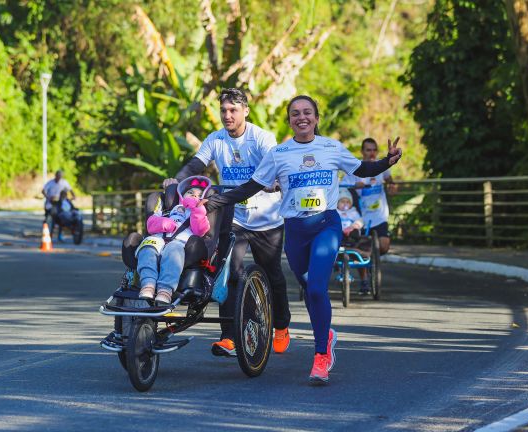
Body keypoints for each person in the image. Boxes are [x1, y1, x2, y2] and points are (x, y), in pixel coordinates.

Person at [205, 95, 402, 382]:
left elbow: (362, 169)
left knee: (318, 288)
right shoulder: (279, 154)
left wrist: (388, 161)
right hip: (295, 231)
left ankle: (321, 355)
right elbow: (250, 187)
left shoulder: (331, 147)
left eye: (307, 112)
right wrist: (215, 202)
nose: (302, 117)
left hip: (326, 225)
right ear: (290, 120)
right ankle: (326, 331)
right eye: (295, 113)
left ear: (316, 118)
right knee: (309, 287)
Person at [162, 88, 292, 357]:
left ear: (245, 111)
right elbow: (196, 165)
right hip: (233, 217)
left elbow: (275, 163)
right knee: (228, 272)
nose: (227, 115)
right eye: (223, 110)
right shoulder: (216, 139)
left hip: (267, 220)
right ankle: (230, 337)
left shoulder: (261, 138)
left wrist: (274, 182)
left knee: (274, 275)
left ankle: (281, 325)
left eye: (233, 110)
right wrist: (176, 180)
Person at [136, 176, 211, 305]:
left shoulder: (199, 211)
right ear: (182, 194)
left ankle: (165, 289)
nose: (194, 196)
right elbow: (150, 223)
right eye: (190, 193)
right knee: (147, 247)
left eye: (199, 195)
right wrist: (162, 222)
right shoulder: (168, 209)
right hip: (159, 238)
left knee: (173, 250)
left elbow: (200, 230)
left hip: (181, 243)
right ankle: (148, 284)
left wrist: (196, 209)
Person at [345, 137, 397, 256]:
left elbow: (389, 180)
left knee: (384, 246)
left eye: (374, 150)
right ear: (362, 152)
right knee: (363, 246)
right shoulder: (355, 168)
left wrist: (392, 186)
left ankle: (366, 256)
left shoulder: (381, 166)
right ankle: (365, 269)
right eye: (368, 150)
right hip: (361, 218)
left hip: (379, 216)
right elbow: (343, 187)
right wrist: (354, 186)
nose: (372, 153)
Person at [42, 170, 75, 241]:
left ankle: (59, 234)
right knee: (50, 217)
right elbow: (43, 190)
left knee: (61, 218)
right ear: (55, 176)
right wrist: (48, 197)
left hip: (60, 204)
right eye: (57, 176)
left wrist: (73, 196)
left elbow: (70, 190)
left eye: (60, 176)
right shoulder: (51, 183)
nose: (59, 178)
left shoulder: (64, 183)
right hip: (51, 204)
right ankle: (48, 233)